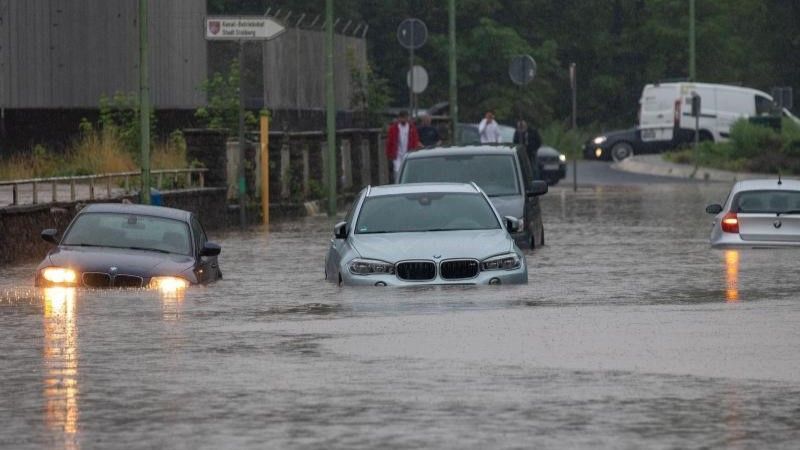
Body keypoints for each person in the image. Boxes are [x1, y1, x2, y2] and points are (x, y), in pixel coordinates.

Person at [385, 110, 420, 182]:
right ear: (399, 118)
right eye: (402, 118)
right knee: (397, 171)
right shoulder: (393, 128)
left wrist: (415, 150)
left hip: (409, 153)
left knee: (408, 171)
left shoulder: (411, 128)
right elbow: (390, 141)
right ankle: (397, 184)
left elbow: (415, 140)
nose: (404, 119)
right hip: (397, 154)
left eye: (405, 117)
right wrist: (389, 154)